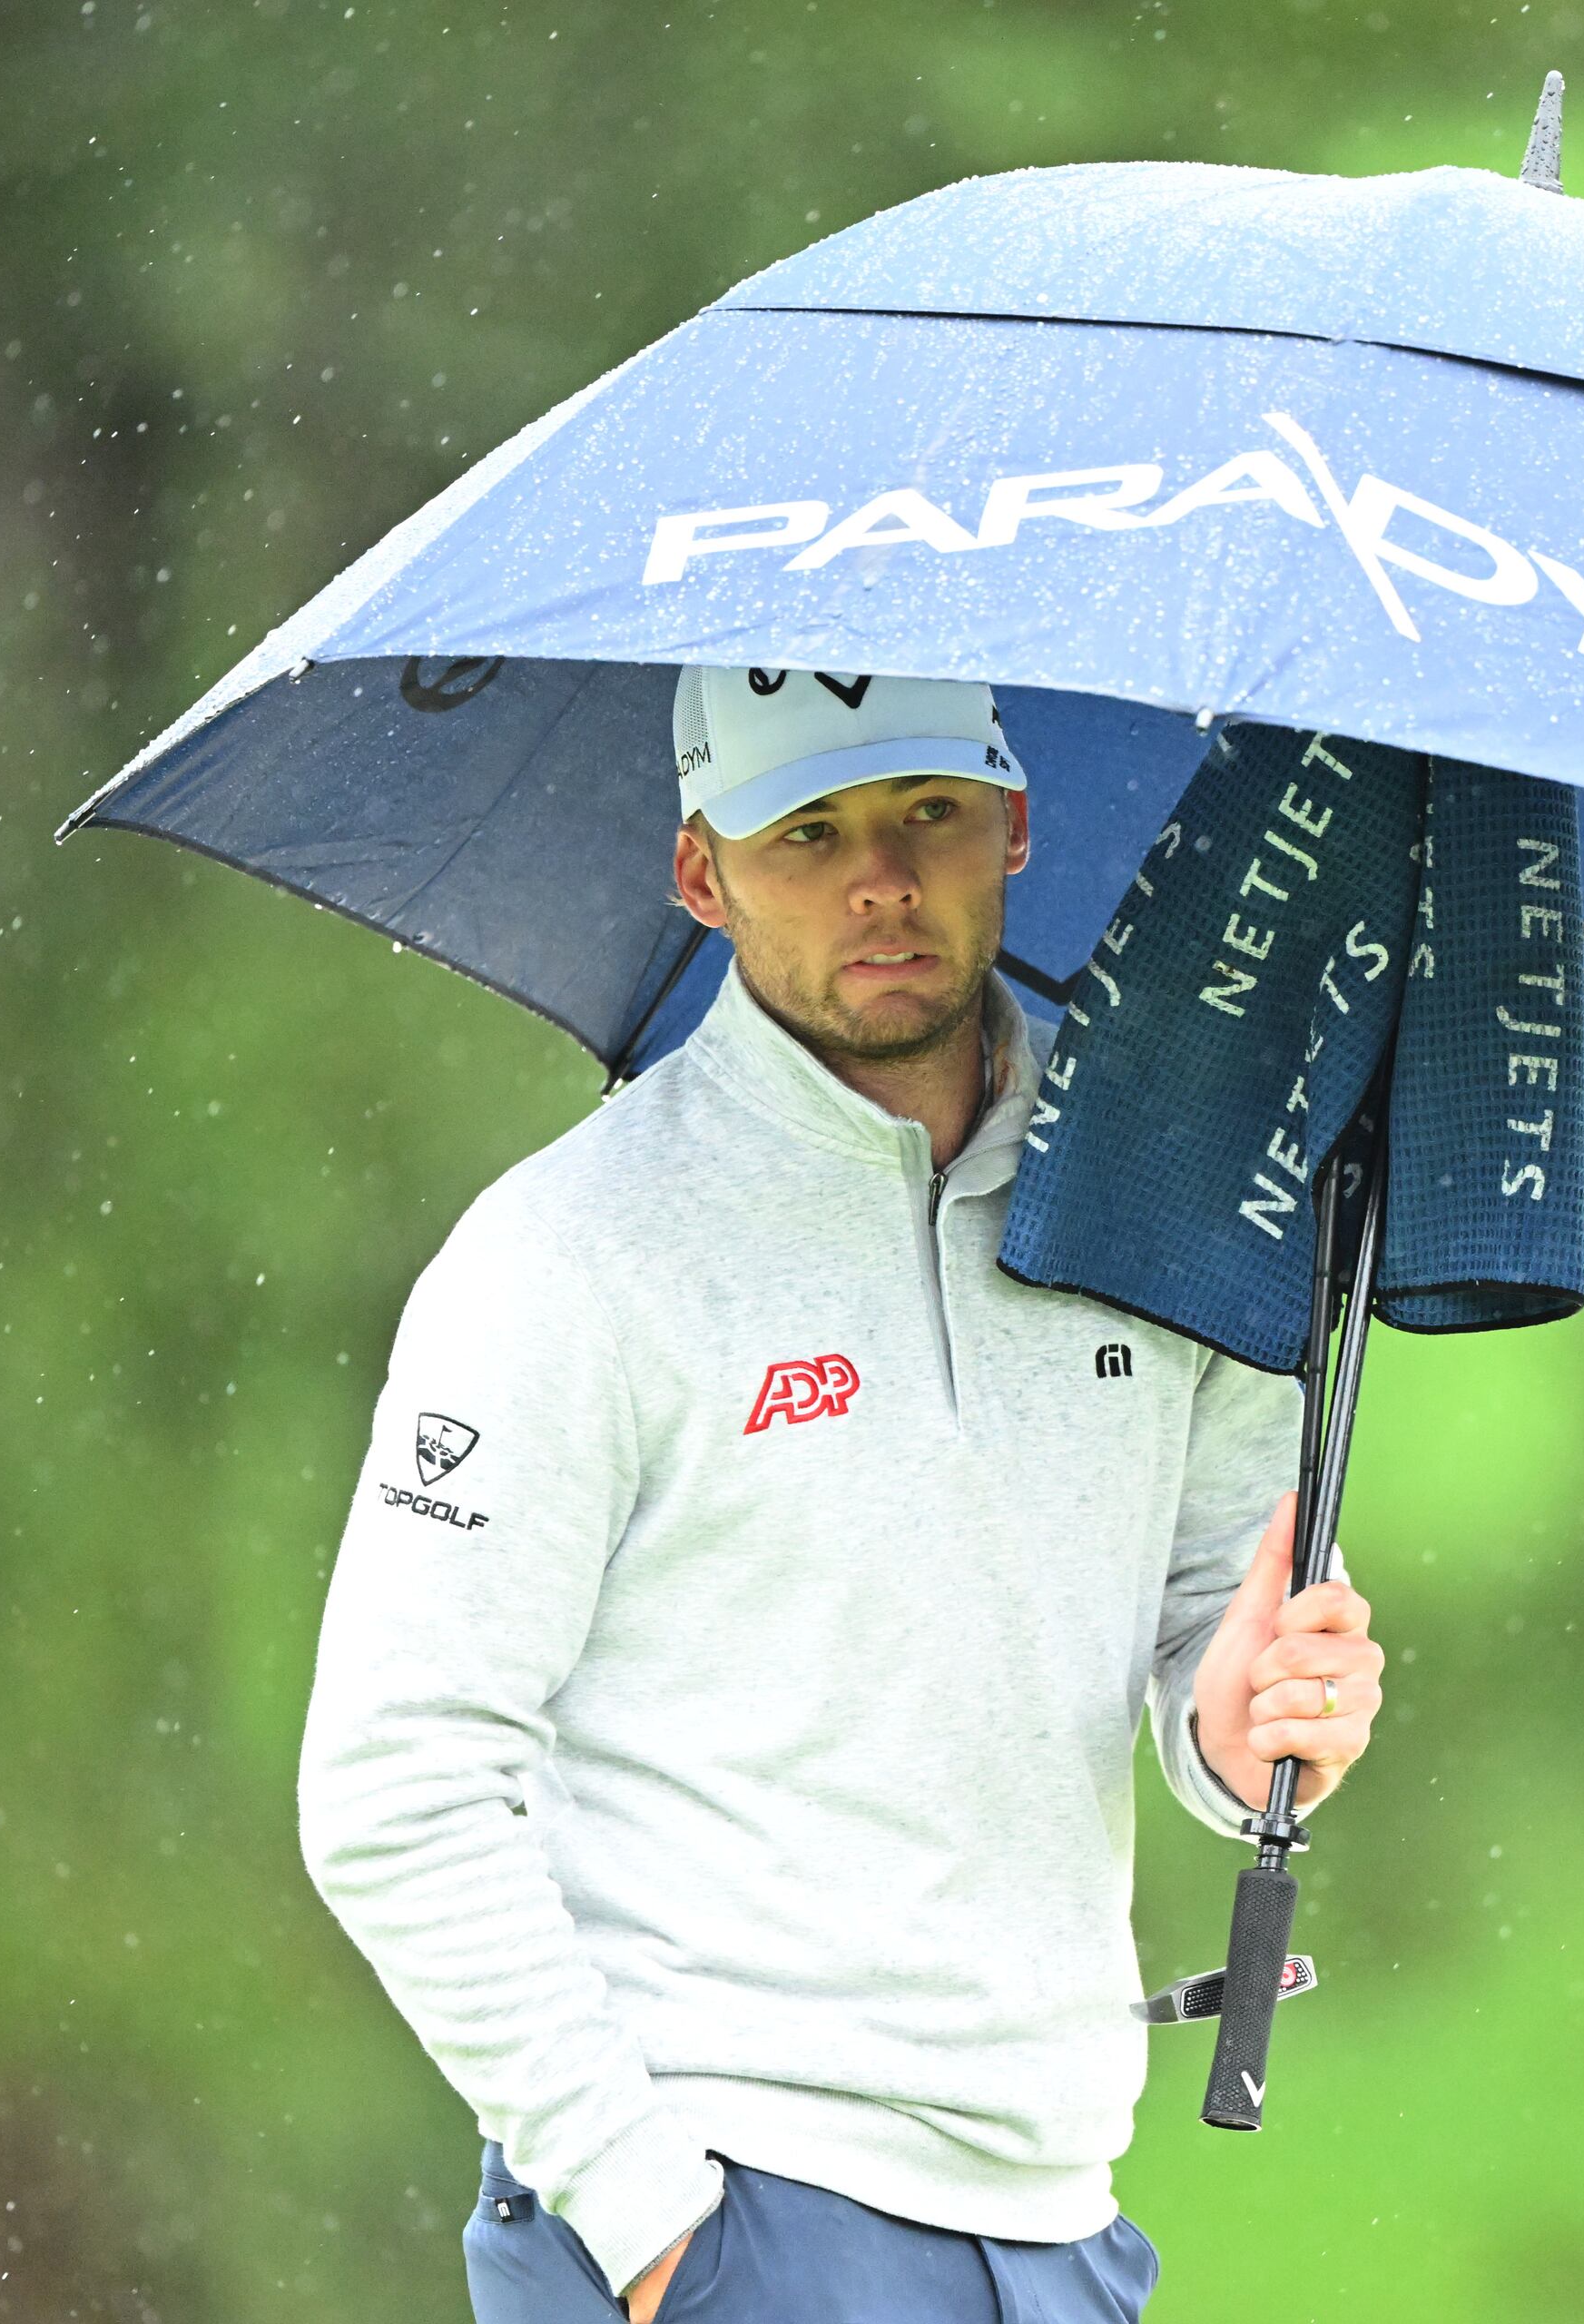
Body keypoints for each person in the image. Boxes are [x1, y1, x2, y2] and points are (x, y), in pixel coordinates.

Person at [296, 664, 1392, 2324]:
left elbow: (1198, 1652)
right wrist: (649, 2217)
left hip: (1066, 2220)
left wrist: (1238, 1741)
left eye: (927, 813)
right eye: (808, 831)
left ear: (1012, 826)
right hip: (726, 2203)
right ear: (702, 873)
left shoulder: (1179, 1211)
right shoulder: (568, 1258)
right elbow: (392, 1780)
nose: (880, 876)